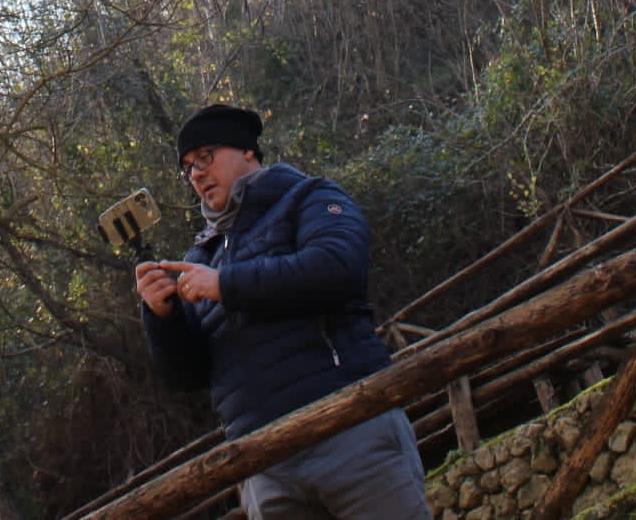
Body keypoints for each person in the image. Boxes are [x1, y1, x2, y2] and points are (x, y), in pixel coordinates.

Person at [134, 104, 433, 520]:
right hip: (264, 464)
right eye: (188, 168)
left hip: (351, 425)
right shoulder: (201, 257)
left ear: (247, 150)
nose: (196, 174)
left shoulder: (309, 198)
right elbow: (188, 376)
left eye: (205, 157)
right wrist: (161, 316)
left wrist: (225, 284)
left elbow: (337, 268)